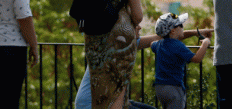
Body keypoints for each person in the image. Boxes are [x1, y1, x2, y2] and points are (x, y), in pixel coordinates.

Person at [75, 25, 212, 109]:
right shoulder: (114, 48)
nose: (140, 27)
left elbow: (165, 37)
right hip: (94, 104)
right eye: (135, 25)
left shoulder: (125, 44)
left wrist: (196, 32)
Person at [152, 13, 211, 109]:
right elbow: (196, 59)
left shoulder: (159, 44)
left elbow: (152, 44)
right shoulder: (178, 45)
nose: (183, 27)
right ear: (173, 30)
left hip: (160, 88)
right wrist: (205, 43)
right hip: (174, 88)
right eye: (181, 25)